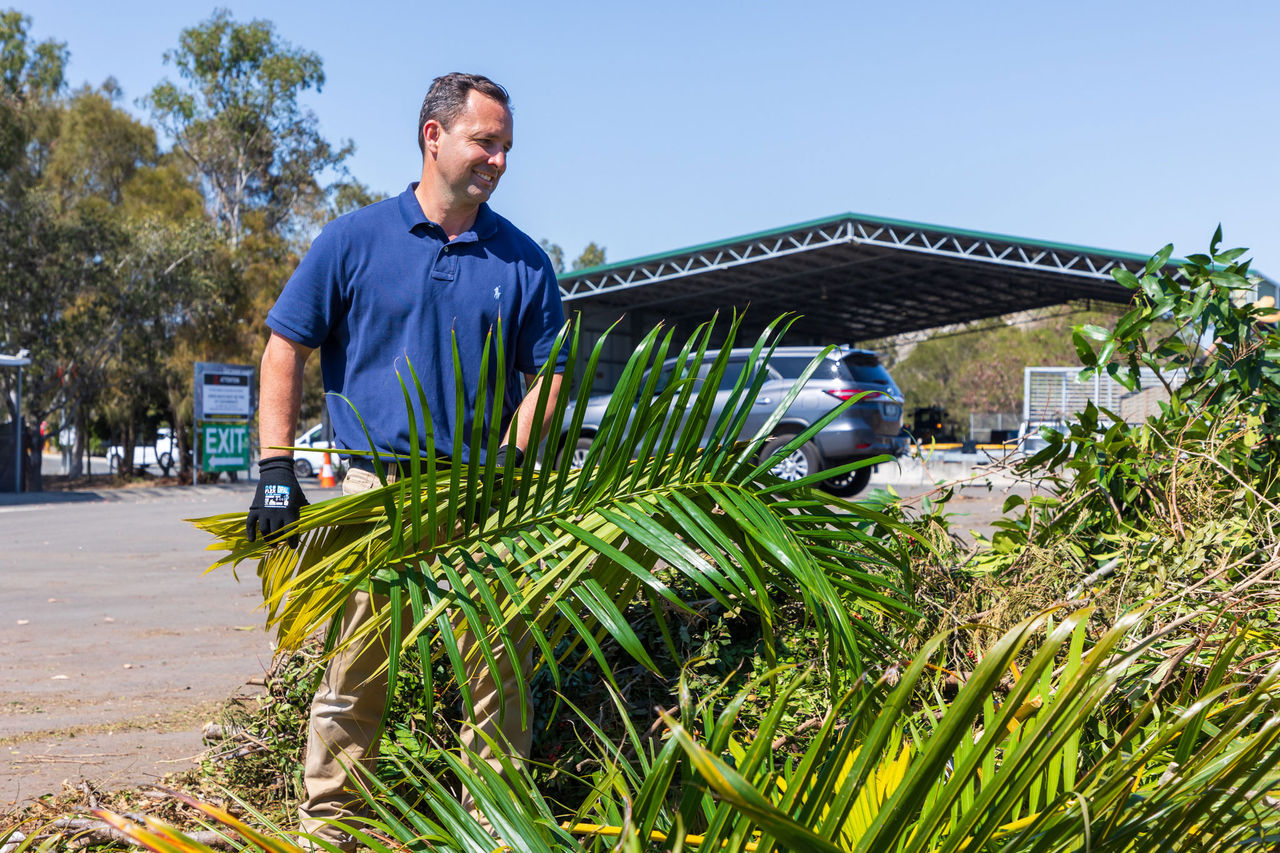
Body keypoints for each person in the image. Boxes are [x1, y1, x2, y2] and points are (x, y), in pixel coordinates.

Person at [246, 72, 565, 851]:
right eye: (484, 142)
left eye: (505, 148)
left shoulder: (524, 261)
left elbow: (550, 374)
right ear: (434, 136)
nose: (497, 160)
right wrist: (275, 470)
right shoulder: (354, 240)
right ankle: (332, 832)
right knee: (355, 678)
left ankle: (490, 830)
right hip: (372, 492)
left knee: (499, 681)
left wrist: (510, 466)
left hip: (483, 500)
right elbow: (285, 346)